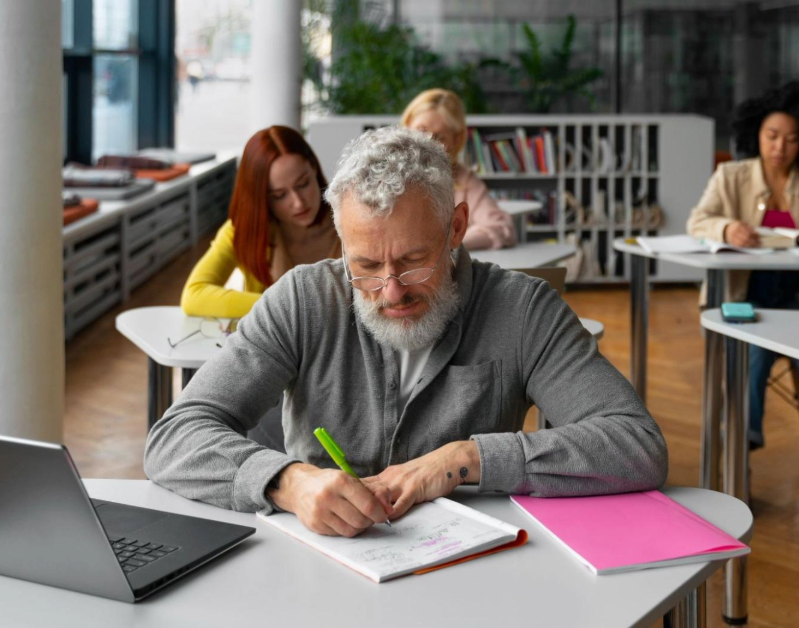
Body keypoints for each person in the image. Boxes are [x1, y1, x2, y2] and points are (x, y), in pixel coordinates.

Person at [144, 126, 667, 537]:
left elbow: (637, 444)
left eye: (415, 260)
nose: (391, 290)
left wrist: (465, 459)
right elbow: (173, 439)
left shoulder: (522, 310)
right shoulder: (302, 298)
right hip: (316, 575)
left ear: (457, 228)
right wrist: (288, 482)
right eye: (366, 265)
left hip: (467, 575)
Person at [687, 82, 799, 450]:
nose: (780, 147)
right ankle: (738, 457)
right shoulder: (731, 176)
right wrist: (727, 227)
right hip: (746, 297)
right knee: (753, 350)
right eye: (772, 136)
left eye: (792, 139)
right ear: (756, 134)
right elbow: (698, 221)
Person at [181, 125, 341, 319]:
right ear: (262, 198)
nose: (298, 203)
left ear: (314, 169)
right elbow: (194, 295)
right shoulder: (245, 231)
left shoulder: (352, 221)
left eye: (303, 184)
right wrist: (288, 306)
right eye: (279, 195)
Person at [401, 88, 516, 251]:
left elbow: (502, 228)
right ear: (406, 128)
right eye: (421, 131)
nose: (428, 143)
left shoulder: (464, 180)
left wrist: (446, 245)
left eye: (440, 137)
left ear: (456, 140)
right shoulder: (386, 173)